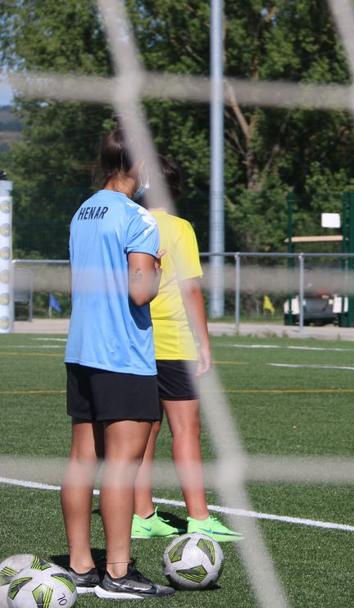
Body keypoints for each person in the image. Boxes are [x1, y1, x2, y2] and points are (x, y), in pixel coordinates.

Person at [61, 128, 175, 598]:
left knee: (82, 462)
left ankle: (81, 565)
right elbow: (140, 290)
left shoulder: (82, 211)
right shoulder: (138, 218)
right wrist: (160, 267)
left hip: (82, 350)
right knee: (122, 468)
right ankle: (118, 571)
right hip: (122, 354)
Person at [130, 156, 241, 542]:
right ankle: (199, 516)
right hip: (175, 341)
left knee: (146, 432)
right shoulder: (180, 228)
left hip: (138, 339)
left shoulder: (130, 222)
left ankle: (142, 515)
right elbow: (191, 289)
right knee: (187, 430)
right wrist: (205, 343)